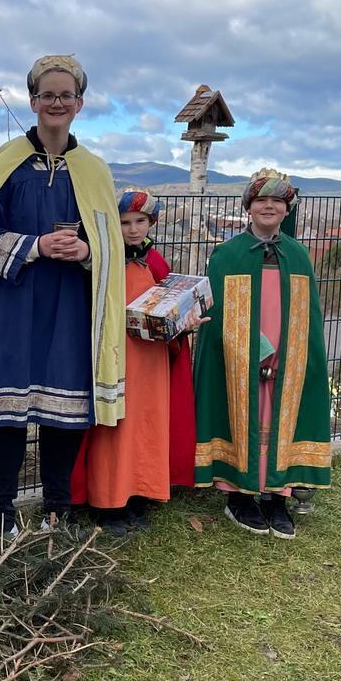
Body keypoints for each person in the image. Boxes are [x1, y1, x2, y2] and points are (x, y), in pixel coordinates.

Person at [0, 54, 126, 547]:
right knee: (9, 417)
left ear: (79, 103)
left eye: (66, 95)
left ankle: (57, 513)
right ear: (33, 101)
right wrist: (36, 246)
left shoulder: (94, 172)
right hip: (13, 309)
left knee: (64, 415)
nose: (56, 103)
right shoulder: (7, 164)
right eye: (48, 94)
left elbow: (110, 247)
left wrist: (88, 251)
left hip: (69, 312)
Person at [194, 168, 332, 539]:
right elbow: (219, 315)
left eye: (277, 201)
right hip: (239, 359)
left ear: (287, 209)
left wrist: (291, 357)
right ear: (248, 207)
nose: (269, 206)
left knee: (277, 420)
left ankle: (276, 498)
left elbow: (308, 318)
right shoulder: (227, 255)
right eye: (261, 200)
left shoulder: (299, 256)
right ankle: (239, 497)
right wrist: (247, 352)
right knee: (244, 417)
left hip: (286, 358)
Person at [70, 189, 204, 535]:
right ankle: (108, 501)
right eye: (125, 222)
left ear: (151, 222)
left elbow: (171, 311)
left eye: (140, 221)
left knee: (146, 424)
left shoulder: (156, 263)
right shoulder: (102, 261)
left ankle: (139, 494)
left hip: (152, 361)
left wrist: (185, 322)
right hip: (113, 359)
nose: (133, 229)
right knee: (113, 428)